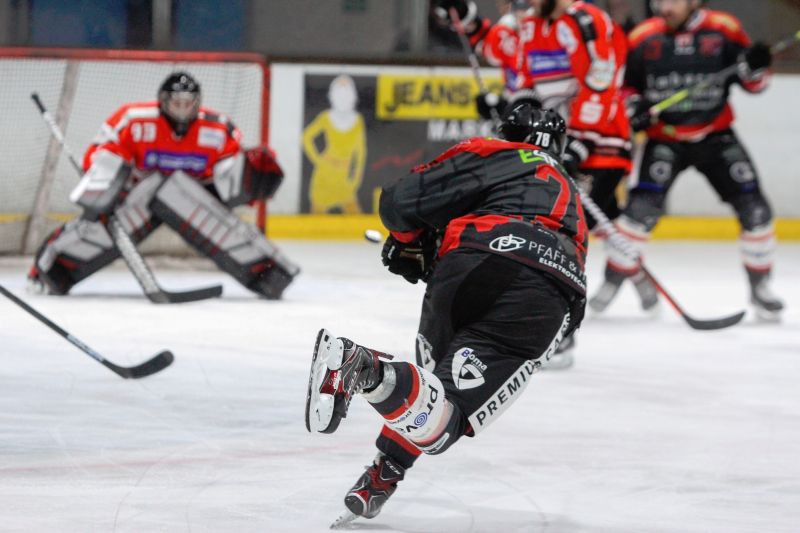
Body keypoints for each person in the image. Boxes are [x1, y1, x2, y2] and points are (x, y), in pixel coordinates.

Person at [305, 103, 588, 526]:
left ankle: (385, 469)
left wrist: (408, 242)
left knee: (429, 393)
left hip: (470, 264)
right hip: (547, 291)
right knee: (443, 420)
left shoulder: (492, 151)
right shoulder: (572, 198)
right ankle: (360, 370)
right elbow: (530, 243)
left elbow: (401, 201)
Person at [28, 72, 298, 300]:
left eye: (188, 103)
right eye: (176, 103)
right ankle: (51, 270)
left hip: (191, 197)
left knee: (206, 212)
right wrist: (104, 182)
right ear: (163, 102)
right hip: (137, 195)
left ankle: (268, 272)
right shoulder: (135, 119)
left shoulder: (218, 129)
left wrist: (255, 177)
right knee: (99, 225)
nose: (183, 110)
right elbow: (103, 149)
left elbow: (231, 172)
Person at [592, 0, 783, 319]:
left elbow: (755, 84)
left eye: (672, 0)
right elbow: (622, 89)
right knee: (638, 215)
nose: (663, 7)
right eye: (658, 1)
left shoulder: (724, 29)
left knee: (757, 211)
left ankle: (760, 289)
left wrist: (757, 67)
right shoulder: (642, 37)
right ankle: (610, 283)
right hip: (665, 139)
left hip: (716, 135)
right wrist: (634, 106)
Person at [302, 74, 366, 214]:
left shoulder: (357, 120)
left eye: (346, 92)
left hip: (344, 177)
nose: (343, 97)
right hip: (324, 175)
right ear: (332, 95)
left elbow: (360, 153)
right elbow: (307, 137)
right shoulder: (326, 117)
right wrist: (318, 160)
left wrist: (355, 178)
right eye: (339, 92)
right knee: (317, 215)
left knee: (354, 214)